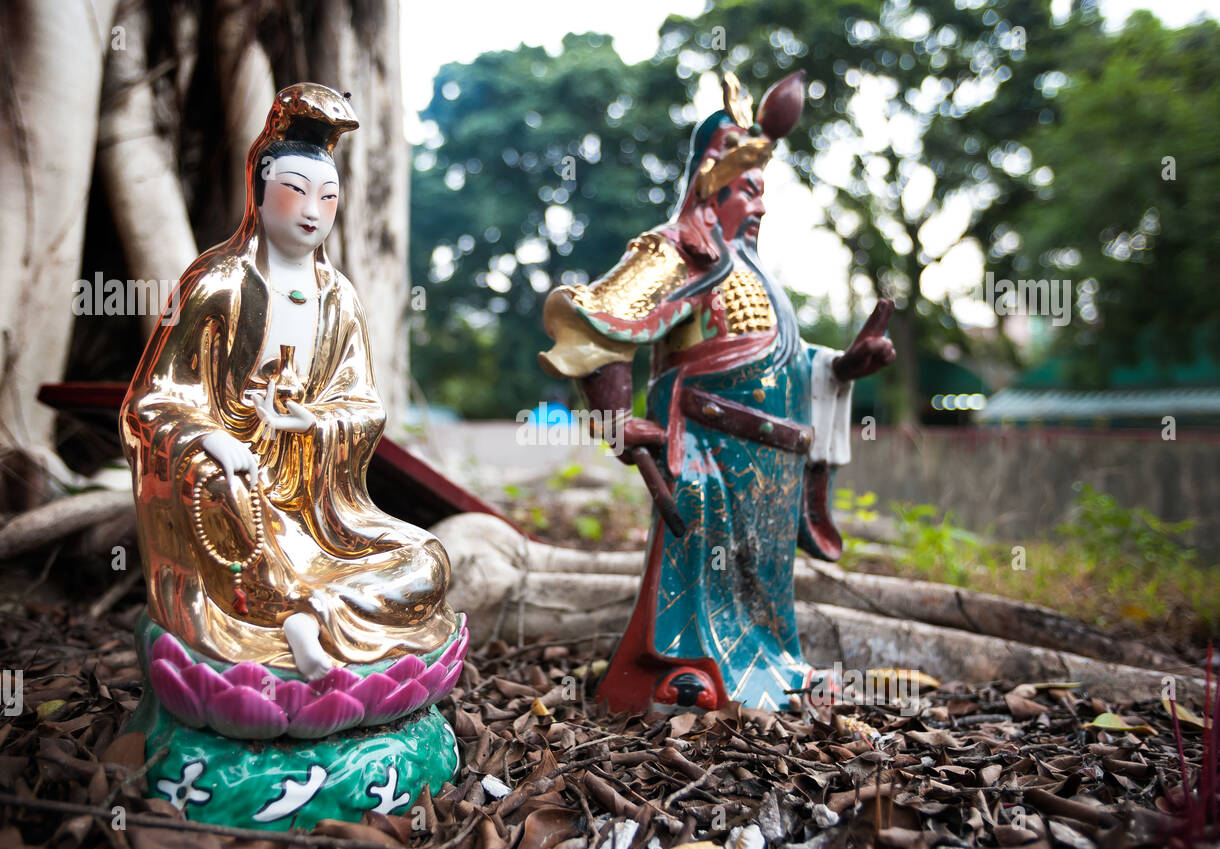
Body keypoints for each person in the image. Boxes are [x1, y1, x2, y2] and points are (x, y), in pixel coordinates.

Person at [539, 71, 894, 712]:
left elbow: (788, 360)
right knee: (702, 577)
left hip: (774, 468)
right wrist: (620, 421)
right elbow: (595, 322)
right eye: (749, 191)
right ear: (712, 183)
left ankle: (775, 668)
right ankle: (682, 671)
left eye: (763, 194)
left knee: (762, 583)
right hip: (705, 452)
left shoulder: (760, 277)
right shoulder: (678, 252)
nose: (759, 208)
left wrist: (842, 366)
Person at [121, 84, 457, 680]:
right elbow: (155, 399)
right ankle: (287, 616)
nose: (311, 211)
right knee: (220, 490)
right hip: (239, 493)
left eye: (328, 198)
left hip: (317, 507)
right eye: (295, 191)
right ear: (260, 192)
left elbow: (362, 403)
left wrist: (316, 420)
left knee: (428, 560)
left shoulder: (339, 299)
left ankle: (313, 614)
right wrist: (209, 441)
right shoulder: (218, 284)